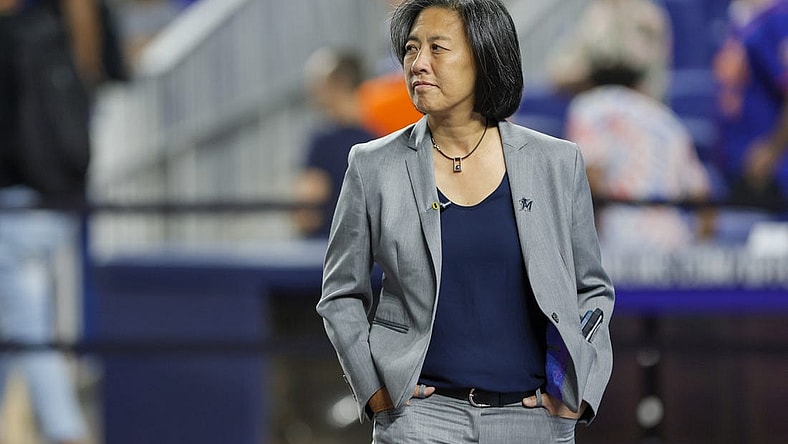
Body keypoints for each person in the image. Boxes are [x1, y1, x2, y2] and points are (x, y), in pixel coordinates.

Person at [316, 1, 615, 443]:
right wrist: (376, 392)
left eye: (438, 48)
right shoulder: (371, 165)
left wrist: (580, 392)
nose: (418, 64)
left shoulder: (556, 162)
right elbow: (340, 293)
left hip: (533, 420)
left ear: (485, 56)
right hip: (418, 421)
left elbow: (591, 290)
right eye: (411, 49)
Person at [0, 1, 98, 443]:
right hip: (56, 199)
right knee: (14, 323)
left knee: (27, 326)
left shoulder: (13, 38)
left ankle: (65, 431)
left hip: (16, 204)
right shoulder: (54, 30)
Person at [564, 59, 713, 252]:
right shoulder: (665, 118)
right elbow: (705, 202)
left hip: (618, 242)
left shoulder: (589, 107)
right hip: (673, 245)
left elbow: (589, 181)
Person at [293, 48, 375, 238]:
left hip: (324, 253)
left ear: (340, 83)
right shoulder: (379, 139)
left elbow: (306, 214)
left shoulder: (321, 143)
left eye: (318, 82)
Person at [713, 0, 788, 204]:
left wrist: (772, 150)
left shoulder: (781, 18)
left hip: (771, 172)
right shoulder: (742, 18)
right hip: (738, 162)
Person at [545, 0, 672, 101]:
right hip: (594, 102)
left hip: (642, 107)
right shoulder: (589, 18)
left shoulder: (647, 17)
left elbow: (636, 66)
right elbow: (560, 76)